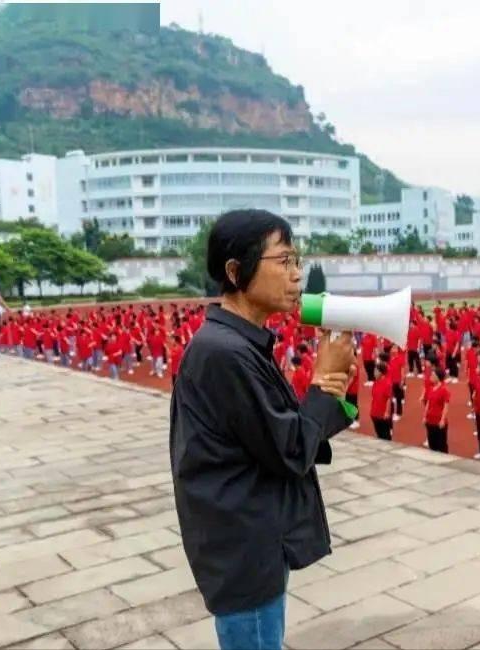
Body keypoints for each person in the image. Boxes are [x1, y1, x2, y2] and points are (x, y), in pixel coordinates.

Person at [169, 209, 355, 650]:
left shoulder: (236, 344)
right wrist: (321, 386)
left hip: (249, 540)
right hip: (244, 549)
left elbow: (276, 433)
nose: (296, 276)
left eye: (297, 261)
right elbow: (289, 448)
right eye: (284, 261)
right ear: (236, 271)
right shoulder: (224, 353)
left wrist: (327, 390)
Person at [423, 367, 450, 452]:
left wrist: (442, 420)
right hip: (430, 421)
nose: (430, 376)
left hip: (439, 422)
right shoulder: (431, 388)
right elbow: (428, 403)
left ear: (438, 377)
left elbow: (446, 406)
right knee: (432, 445)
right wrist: (425, 416)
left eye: (433, 375)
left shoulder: (444, 390)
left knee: (442, 445)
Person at [370, 361, 394, 441]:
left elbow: (388, 399)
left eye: (376, 371)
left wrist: (387, 412)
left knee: (385, 436)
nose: (374, 373)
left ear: (381, 372)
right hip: (374, 413)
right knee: (379, 434)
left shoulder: (387, 384)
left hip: (382, 415)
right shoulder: (375, 382)